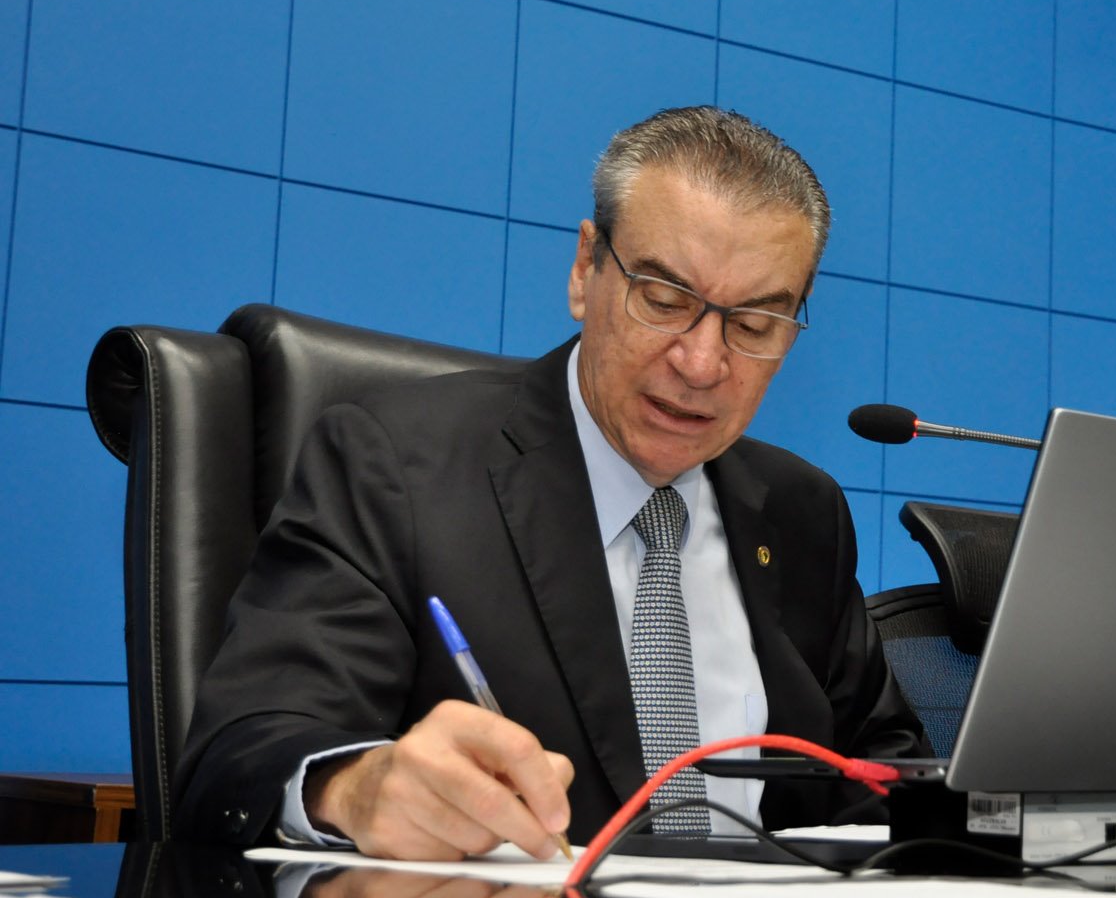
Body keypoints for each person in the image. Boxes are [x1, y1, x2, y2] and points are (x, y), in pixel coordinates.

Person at [175, 106, 923, 858]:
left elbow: (887, 771)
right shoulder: (391, 468)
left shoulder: (801, 512)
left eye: (755, 325)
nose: (701, 364)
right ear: (585, 269)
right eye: (663, 301)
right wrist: (353, 787)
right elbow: (245, 749)